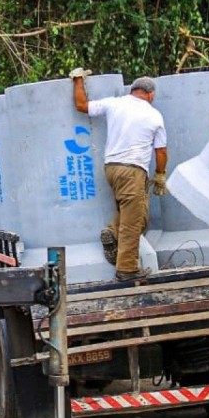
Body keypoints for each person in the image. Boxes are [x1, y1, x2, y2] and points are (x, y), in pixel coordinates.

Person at [71, 70, 168, 281]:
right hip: (134, 170)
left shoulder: (114, 103)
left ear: (133, 91)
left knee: (138, 216)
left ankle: (113, 233)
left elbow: (82, 105)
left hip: (112, 168)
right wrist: (160, 175)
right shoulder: (154, 115)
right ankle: (127, 270)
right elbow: (160, 151)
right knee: (134, 222)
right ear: (150, 94)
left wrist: (78, 80)